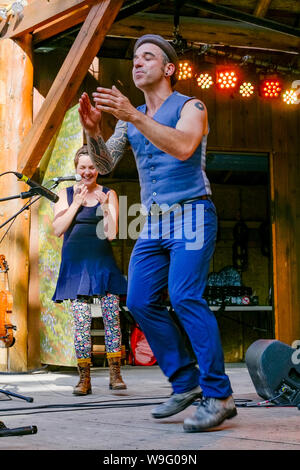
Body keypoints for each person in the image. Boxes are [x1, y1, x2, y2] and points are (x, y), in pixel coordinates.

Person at [78, 34, 237, 431]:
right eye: (135, 58)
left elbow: (184, 147)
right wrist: (93, 132)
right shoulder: (130, 120)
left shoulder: (191, 106)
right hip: (153, 221)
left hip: (193, 213)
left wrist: (132, 116)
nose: (137, 63)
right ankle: (185, 383)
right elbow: (104, 163)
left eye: (148, 57)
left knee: (184, 295)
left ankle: (219, 396)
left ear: (168, 68)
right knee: (139, 299)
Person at [52, 145, 127, 395]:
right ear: (76, 169)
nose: (87, 171)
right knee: (81, 322)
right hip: (76, 265)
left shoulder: (109, 193)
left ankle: (115, 372)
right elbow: (57, 228)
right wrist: (78, 204)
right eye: (82, 167)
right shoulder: (65, 194)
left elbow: (112, 234)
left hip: (101, 263)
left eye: (92, 167)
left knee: (111, 318)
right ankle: (84, 377)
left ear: (99, 170)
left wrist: (105, 207)